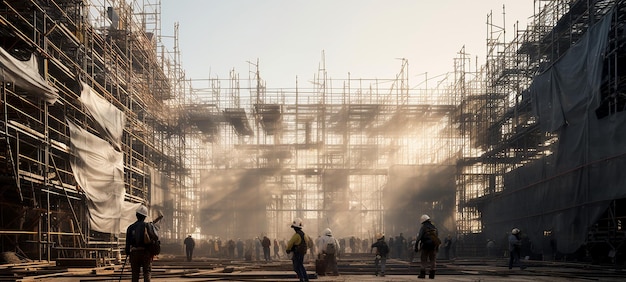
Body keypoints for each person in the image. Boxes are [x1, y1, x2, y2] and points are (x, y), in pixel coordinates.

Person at [125, 205, 153, 282]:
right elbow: (153, 240)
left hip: (134, 253)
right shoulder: (148, 226)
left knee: (135, 274)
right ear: (145, 217)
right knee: (146, 272)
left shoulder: (130, 227)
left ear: (136, 215)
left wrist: (128, 252)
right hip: (145, 253)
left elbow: (127, 243)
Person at [415, 214, 440, 279]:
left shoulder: (423, 228)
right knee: (433, 260)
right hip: (433, 246)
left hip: (425, 246)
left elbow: (419, 238)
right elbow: (436, 238)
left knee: (424, 260)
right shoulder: (434, 228)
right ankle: (432, 275)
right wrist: (437, 247)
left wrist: (416, 246)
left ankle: (422, 274)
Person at [286, 218, 310, 282]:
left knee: (296, 267)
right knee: (300, 265)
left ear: (295, 227)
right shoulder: (304, 234)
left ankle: (302, 278)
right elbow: (308, 242)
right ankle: (305, 278)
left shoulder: (296, 235)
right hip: (302, 252)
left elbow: (290, 243)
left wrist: (288, 249)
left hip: (297, 252)